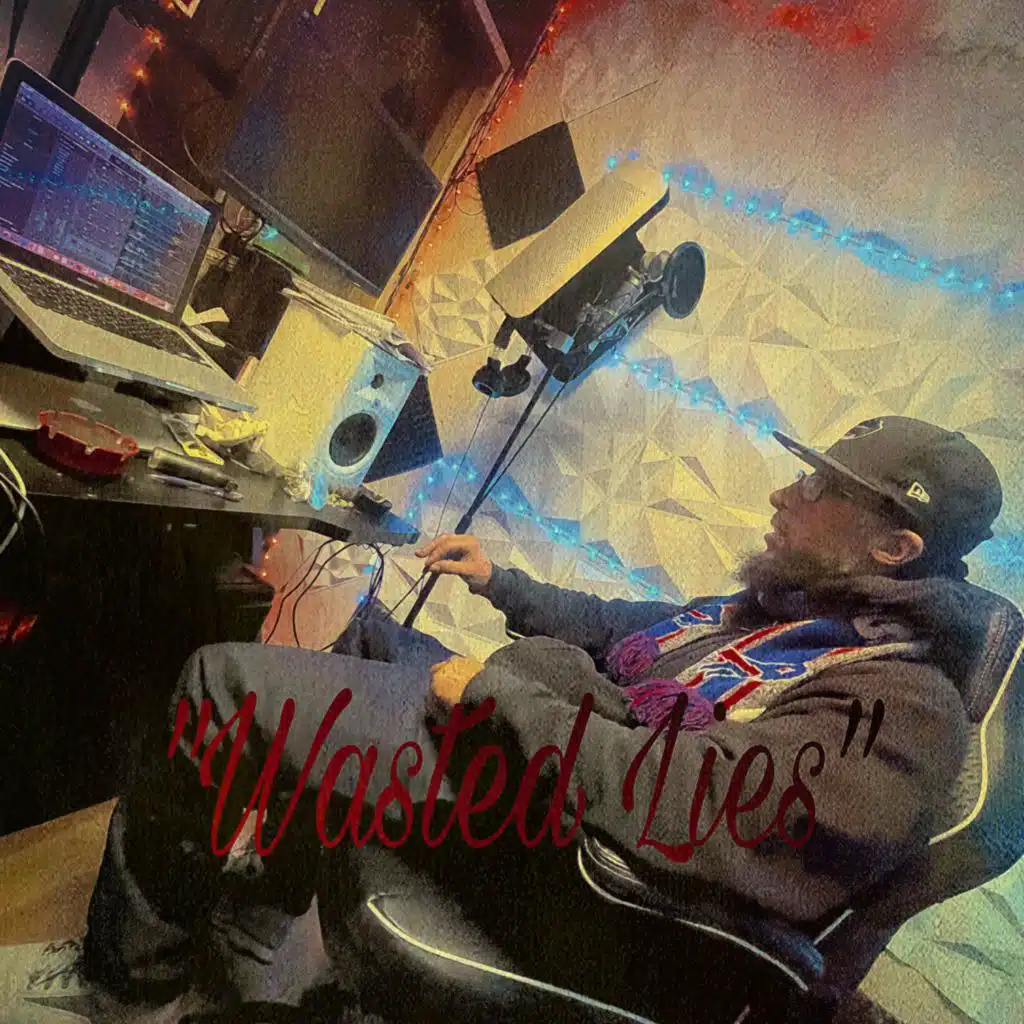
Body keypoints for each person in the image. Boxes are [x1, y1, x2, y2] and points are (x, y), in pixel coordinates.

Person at [76, 416, 1002, 1019]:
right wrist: (501, 583)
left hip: (567, 846)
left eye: (820, 488)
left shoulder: (902, 706)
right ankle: (255, 922)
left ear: (894, 545)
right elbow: (624, 630)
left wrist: (499, 695)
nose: (785, 495)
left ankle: (127, 987)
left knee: (221, 685)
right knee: (362, 631)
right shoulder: (784, 613)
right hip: (545, 740)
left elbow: (691, 802)